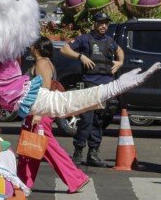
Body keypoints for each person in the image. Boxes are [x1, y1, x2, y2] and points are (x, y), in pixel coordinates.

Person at [17, 37, 90, 193]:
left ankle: (76, 178)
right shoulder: (46, 62)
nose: (29, 47)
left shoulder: (41, 63)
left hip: (39, 113)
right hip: (39, 112)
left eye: (32, 45)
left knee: (48, 149)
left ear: (36, 48)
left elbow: (44, 88)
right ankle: (23, 182)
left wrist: (37, 113)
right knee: (31, 149)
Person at [59, 11, 124, 167]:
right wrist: (81, 56)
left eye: (106, 23)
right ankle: (78, 152)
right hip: (90, 85)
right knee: (86, 120)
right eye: (101, 23)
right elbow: (64, 49)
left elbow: (119, 51)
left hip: (105, 87)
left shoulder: (110, 40)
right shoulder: (85, 39)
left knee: (99, 121)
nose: (103, 26)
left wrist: (120, 62)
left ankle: (93, 154)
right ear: (94, 24)